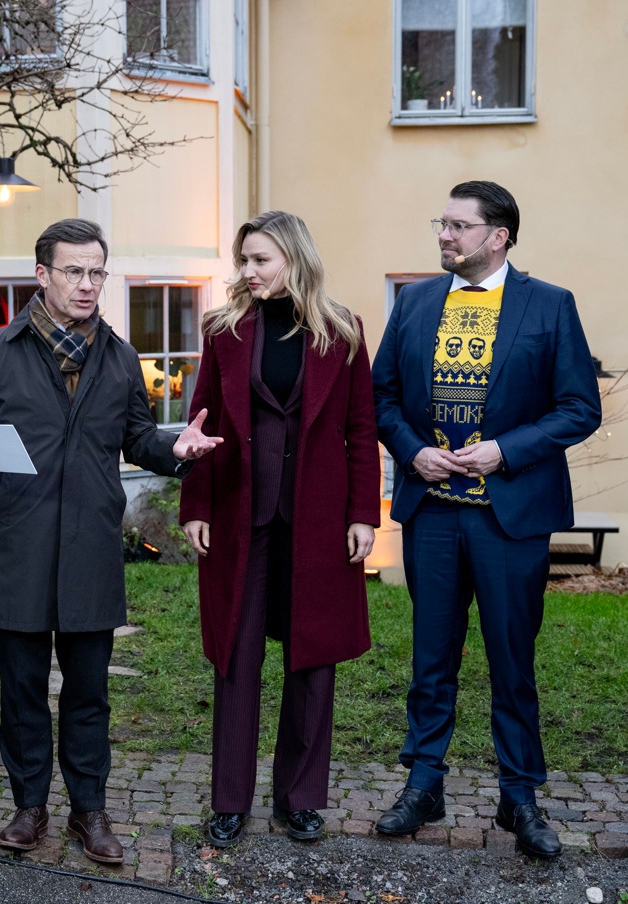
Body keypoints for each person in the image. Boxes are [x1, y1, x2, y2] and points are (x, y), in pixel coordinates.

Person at [0, 218, 220, 863]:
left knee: (90, 692)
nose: (88, 284)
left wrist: (175, 449)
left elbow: (138, 437)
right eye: (75, 271)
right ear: (43, 275)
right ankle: (29, 807)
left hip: (93, 547)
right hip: (21, 546)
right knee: (22, 689)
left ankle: (89, 814)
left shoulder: (121, 357)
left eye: (97, 271)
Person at [370, 181, 602, 859]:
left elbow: (578, 408)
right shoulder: (414, 302)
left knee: (512, 662)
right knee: (430, 660)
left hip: (511, 519)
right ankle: (424, 784)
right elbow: (382, 396)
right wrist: (412, 452)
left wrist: (505, 451)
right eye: (441, 224)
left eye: (459, 226)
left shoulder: (549, 306)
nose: (444, 235)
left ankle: (520, 797)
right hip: (433, 516)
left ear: (498, 236)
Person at [178, 211, 380, 848]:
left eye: (259, 260)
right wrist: (196, 507)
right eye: (244, 260)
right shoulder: (225, 329)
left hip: (318, 522)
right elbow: (200, 424)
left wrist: (362, 515)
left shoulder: (342, 332)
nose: (248, 272)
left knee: (312, 661)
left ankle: (300, 799)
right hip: (241, 515)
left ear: (293, 258)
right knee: (236, 659)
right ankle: (230, 801)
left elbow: (360, 431)